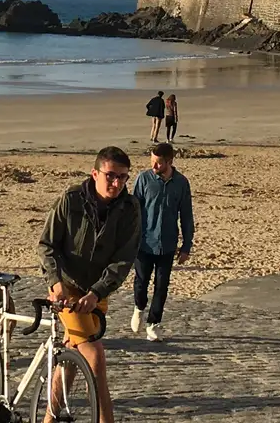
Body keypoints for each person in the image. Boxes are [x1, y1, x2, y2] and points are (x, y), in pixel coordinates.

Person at [39, 146, 141, 423]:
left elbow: (124, 259)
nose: (117, 183)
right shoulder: (71, 199)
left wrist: (97, 292)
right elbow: (47, 245)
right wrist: (55, 283)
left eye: (123, 177)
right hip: (66, 287)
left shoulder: (130, 208)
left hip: (98, 291)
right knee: (95, 358)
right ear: (95, 173)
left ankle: (49, 419)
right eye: (111, 176)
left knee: (72, 356)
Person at [130, 142, 194, 342]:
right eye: (152, 162)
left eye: (158, 163)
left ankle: (153, 324)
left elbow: (186, 215)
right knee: (141, 283)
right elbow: (133, 211)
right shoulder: (143, 179)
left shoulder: (181, 183)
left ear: (169, 161)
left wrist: (186, 246)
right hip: (144, 243)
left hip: (167, 244)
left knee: (162, 286)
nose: (154, 166)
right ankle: (139, 308)